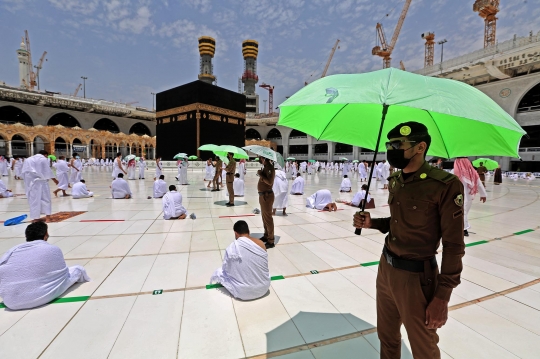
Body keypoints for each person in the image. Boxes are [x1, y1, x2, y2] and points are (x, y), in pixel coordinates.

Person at [353, 121, 465, 359]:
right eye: (389, 144)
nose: (391, 149)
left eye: (398, 144)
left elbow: (454, 246)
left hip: (417, 279)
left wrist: (442, 297)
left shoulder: (444, 185)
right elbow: (397, 223)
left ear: (420, 147)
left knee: (423, 347)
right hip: (386, 270)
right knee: (387, 337)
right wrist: (372, 223)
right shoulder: (396, 182)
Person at [0, 222, 90, 310]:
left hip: (11, 302)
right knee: (78, 270)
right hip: (41, 296)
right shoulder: (53, 249)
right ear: (45, 235)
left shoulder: (12, 251)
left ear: (26, 236)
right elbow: (63, 274)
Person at [210, 220, 270, 300]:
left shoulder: (231, 248)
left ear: (236, 233)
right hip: (264, 288)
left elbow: (226, 269)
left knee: (219, 272)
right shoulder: (261, 243)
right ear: (248, 231)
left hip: (242, 292)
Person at [454, 158, 487, 237]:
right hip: (468, 197)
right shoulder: (473, 173)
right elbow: (479, 184)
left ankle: (464, 229)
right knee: (464, 212)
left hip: (459, 197)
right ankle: (463, 228)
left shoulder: (455, 172)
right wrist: (483, 195)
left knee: (463, 212)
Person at [21, 150, 54, 222]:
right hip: (42, 182)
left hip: (32, 183)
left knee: (34, 200)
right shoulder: (43, 159)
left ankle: (35, 218)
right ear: (45, 154)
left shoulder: (28, 159)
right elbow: (47, 171)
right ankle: (48, 218)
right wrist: (54, 179)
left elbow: (24, 172)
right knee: (46, 199)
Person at [258, 157, 276, 249]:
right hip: (263, 196)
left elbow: (270, 182)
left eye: (260, 157)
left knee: (268, 218)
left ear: (264, 158)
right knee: (264, 217)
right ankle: (266, 235)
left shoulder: (270, 168)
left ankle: (271, 240)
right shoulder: (265, 167)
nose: (259, 158)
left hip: (267, 196)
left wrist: (261, 174)